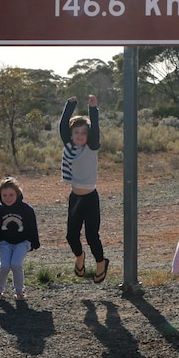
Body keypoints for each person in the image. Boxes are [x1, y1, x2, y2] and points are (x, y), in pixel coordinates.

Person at [60, 94, 109, 283]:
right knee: (71, 235)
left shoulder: (92, 147)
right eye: (76, 133)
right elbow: (63, 127)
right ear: (71, 136)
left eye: (83, 133)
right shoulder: (70, 147)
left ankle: (100, 263)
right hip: (75, 198)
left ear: (88, 136)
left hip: (90, 198)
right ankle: (80, 258)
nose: (79, 136)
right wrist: (70, 106)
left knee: (91, 235)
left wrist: (93, 109)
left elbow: (95, 129)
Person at [0, 176, 40, 300]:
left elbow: (32, 226)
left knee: (15, 264)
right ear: (0, 195)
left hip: (22, 242)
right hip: (5, 243)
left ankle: (19, 291)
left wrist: (35, 241)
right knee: (4, 265)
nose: (8, 198)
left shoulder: (27, 210)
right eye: (4, 195)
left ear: (18, 193)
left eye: (11, 195)